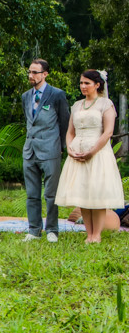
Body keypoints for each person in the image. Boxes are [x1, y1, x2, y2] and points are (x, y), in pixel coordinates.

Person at [55, 70, 125, 243]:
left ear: (97, 84)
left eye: (87, 83)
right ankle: (89, 234)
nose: (83, 86)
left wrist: (92, 151)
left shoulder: (105, 104)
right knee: (83, 193)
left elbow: (108, 131)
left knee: (97, 194)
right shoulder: (77, 105)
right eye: (81, 83)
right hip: (78, 151)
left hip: (98, 152)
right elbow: (70, 132)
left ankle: (97, 235)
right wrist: (70, 148)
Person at [22, 59, 70, 242]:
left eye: (35, 72)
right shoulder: (26, 96)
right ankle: (34, 230)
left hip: (50, 149)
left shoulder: (57, 95)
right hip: (30, 151)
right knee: (32, 194)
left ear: (45, 74)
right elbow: (29, 122)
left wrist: (62, 148)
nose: (31, 76)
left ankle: (52, 229)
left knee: (51, 194)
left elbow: (64, 122)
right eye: (29, 72)